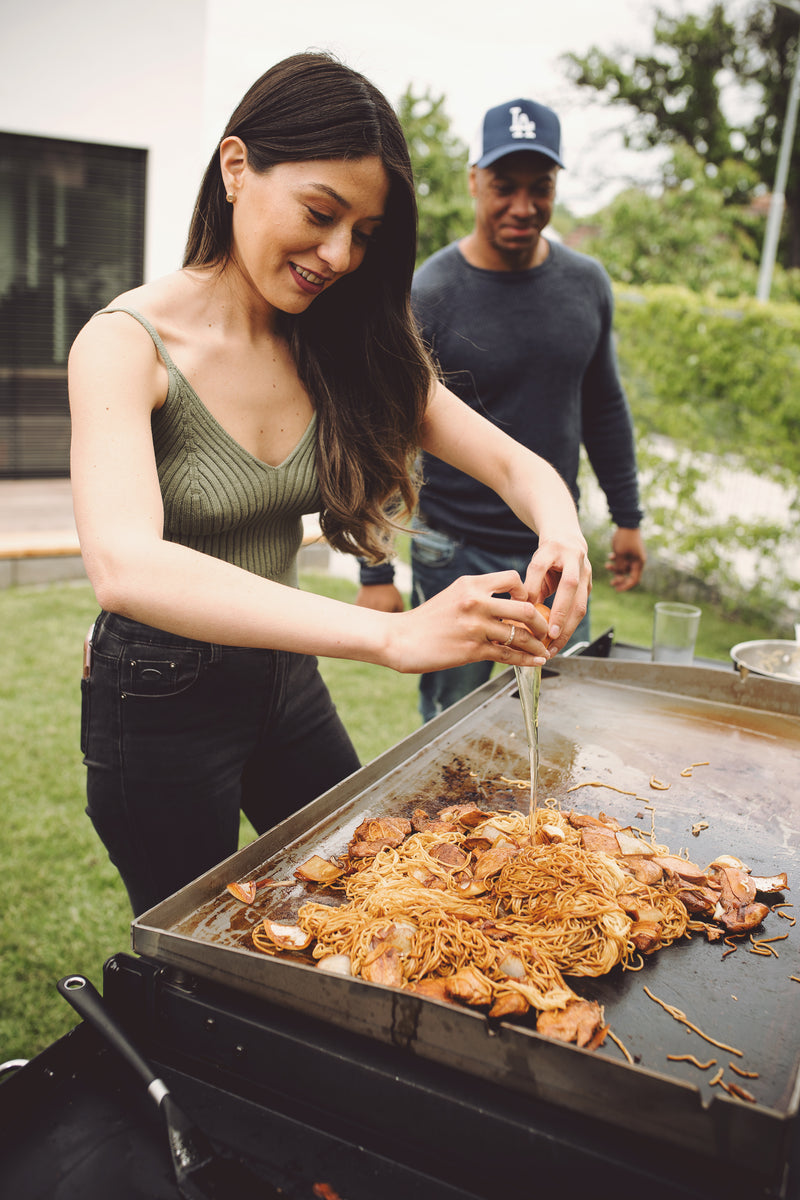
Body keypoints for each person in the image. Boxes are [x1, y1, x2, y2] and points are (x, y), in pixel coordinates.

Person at [68, 56, 591, 916]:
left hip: (284, 677)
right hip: (154, 696)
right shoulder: (124, 344)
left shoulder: (341, 340)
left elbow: (513, 463)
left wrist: (560, 532)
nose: (340, 255)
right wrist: (392, 635)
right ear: (236, 168)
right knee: (196, 951)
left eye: (366, 233)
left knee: (368, 894)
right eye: (320, 214)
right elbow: (126, 565)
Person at [357, 96, 645, 723]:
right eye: (503, 186)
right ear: (473, 182)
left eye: (539, 188)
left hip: (556, 551)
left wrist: (627, 515)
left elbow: (604, 405)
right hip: (454, 547)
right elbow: (383, 432)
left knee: (560, 717)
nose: (523, 206)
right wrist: (373, 568)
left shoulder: (586, 284)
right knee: (454, 725)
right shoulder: (429, 293)